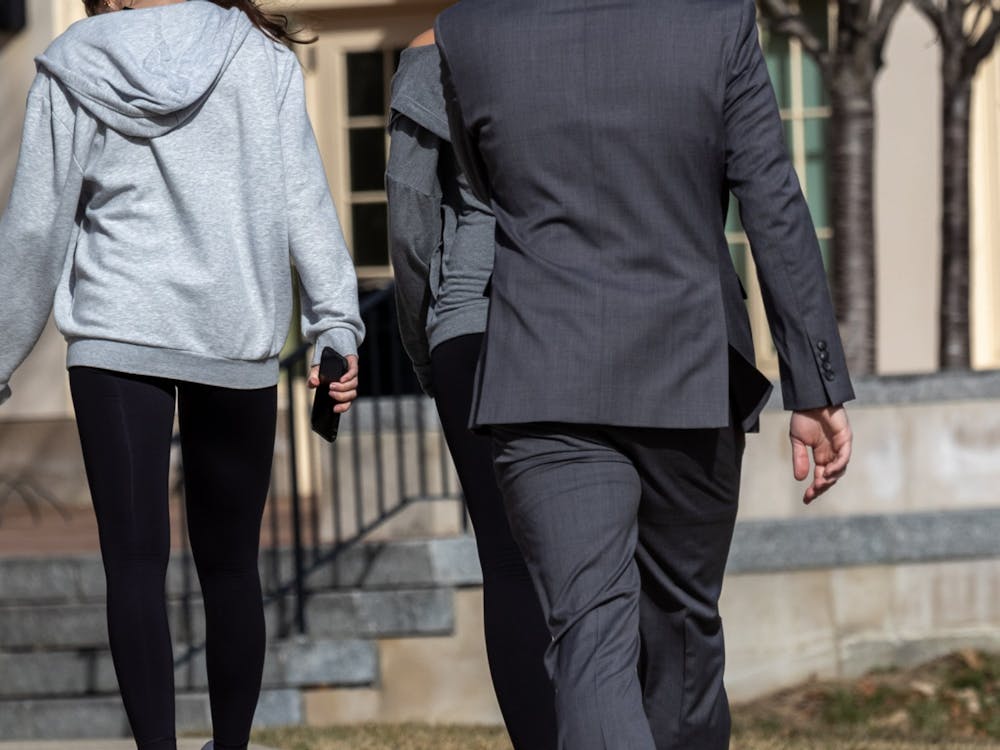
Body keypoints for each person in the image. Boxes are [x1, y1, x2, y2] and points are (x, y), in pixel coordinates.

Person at [435, 1, 855, 748]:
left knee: (587, 639)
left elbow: (484, 183)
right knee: (682, 631)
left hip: (544, 368)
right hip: (684, 368)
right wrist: (814, 387)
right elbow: (771, 197)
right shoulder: (715, 21)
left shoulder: (469, 29)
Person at [0, 0, 364, 748]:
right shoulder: (259, 56)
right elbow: (303, 198)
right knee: (231, 568)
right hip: (234, 334)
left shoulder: (76, 59)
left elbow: (35, 228)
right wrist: (335, 322)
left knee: (133, 565)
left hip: (116, 333)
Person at [385, 29, 557, 749]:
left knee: (508, 560)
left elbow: (409, 221)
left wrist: (423, 346)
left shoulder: (434, 52)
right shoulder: (580, 33)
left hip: (473, 319)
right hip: (572, 315)